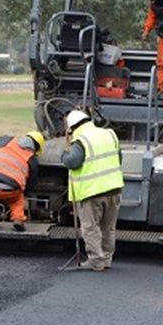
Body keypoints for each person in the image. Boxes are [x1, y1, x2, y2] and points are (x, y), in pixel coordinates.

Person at [61, 110, 123, 271]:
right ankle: (107, 258)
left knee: (90, 227)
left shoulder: (81, 140)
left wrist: (64, 154)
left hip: (92, 191)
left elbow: (72, 162)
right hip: (114, 188)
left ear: (72, 127)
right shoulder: (109, 134)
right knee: (108, 227)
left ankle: (96, 261)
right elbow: (119, 158)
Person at [0, 131, 45, 232]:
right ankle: (18, 219)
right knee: (17, 200)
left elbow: (2, 138)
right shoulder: (32, 159)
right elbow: (32, 181)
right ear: (36, 148)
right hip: (11, 189)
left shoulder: (6, 141)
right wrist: (24, 192)